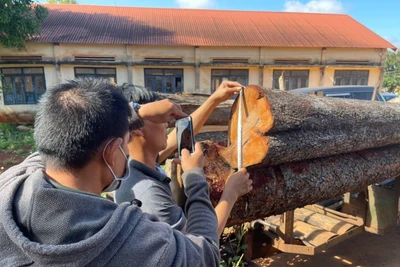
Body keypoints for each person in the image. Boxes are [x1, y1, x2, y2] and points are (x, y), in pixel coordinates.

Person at [0, 78, 221, 266]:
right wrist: (194, 178)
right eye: (125, 145)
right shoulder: (129, 239)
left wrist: (138, 112)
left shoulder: (12, 184)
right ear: (111, 152)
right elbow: (206, 254)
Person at [115, 81, 253, 235]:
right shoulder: (149, 195)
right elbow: (198, 246)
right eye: (160, 119)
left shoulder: (134, 164)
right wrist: (230, 193)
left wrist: (214, 99)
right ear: (139, 129)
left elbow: (175, 137)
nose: (167, 124)